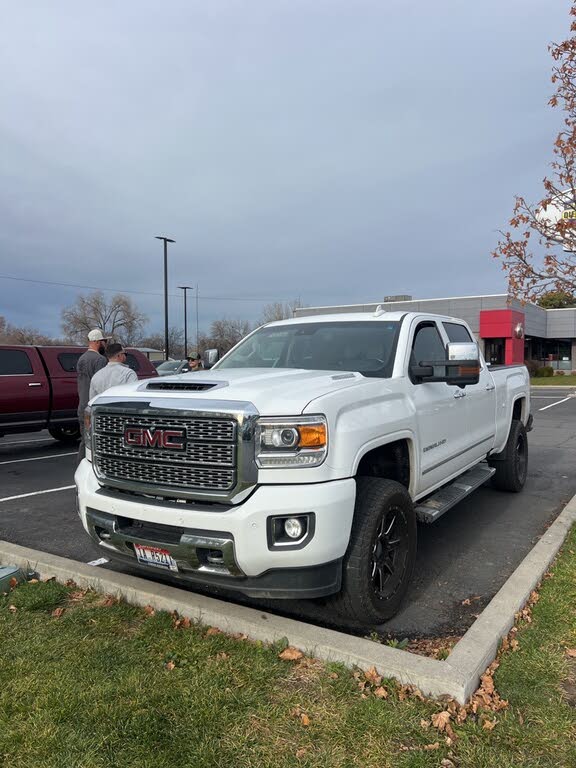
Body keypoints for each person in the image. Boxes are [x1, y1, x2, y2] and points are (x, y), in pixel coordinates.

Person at [76, 329, 109, 462]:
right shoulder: (100, 360)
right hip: (94, 408)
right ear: (96, 342)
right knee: (96, 444)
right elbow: (101, 385)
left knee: (85, 442)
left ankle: (80, 469)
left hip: (82, 407)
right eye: (103, 341)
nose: (105, 344)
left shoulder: (81, 359)